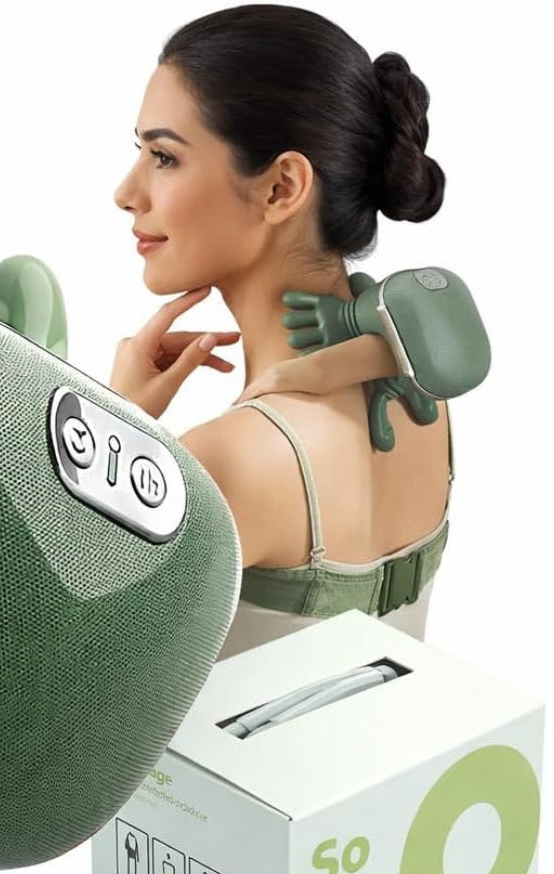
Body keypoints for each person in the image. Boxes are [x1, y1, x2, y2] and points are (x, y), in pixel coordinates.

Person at [110, 4, 453, 660]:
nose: (126, 193)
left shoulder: (230, 462)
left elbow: (52, 655)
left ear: (280, 188)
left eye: (164, 157)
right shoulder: (426, 401)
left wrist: (118, 425)